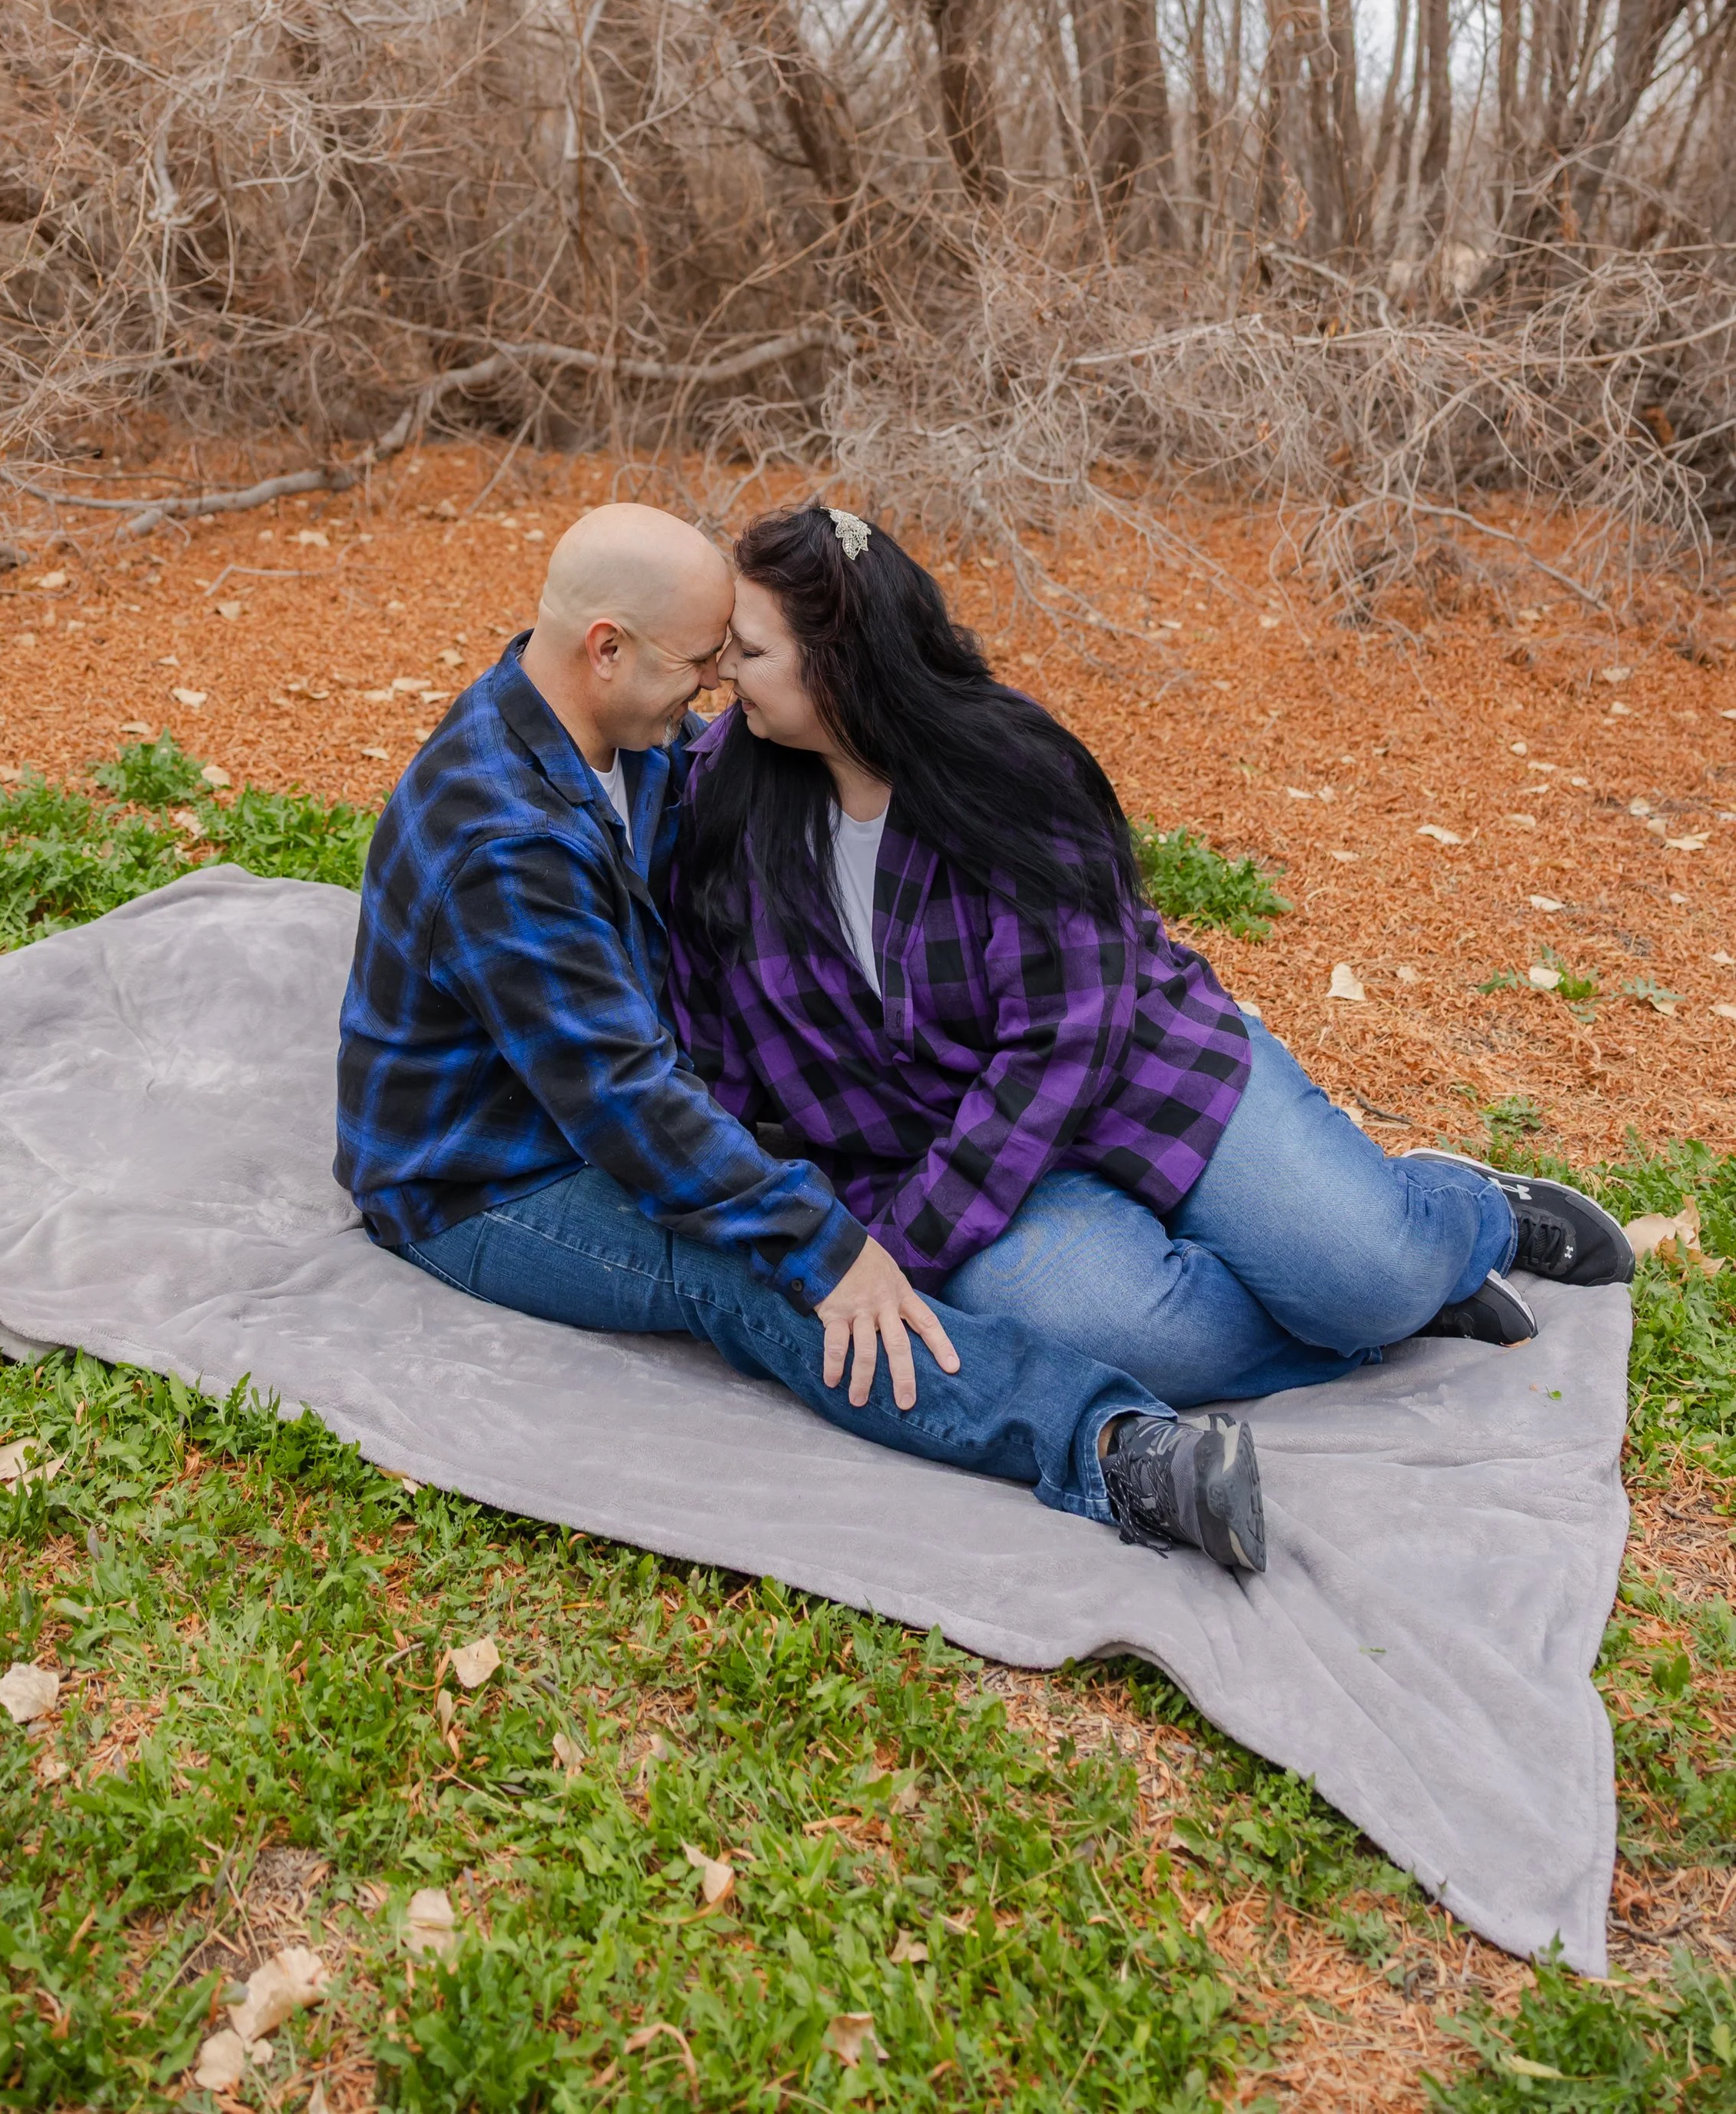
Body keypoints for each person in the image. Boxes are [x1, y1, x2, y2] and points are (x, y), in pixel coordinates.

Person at [335, 502, 1264, 1571]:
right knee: (752, 1271)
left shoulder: (621, 734)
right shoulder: (500, 840)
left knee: (790, 1211)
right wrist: (834, 1252)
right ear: (608, 648)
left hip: (612, 1100)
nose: (718, 684)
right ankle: (1115, 1451)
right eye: (700, 660)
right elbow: (630, 1104)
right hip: (485, 1176)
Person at [666, 503, 1635, 1416]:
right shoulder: (724, 791)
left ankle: (1467, 1217)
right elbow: (708, 1017)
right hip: (926, 1146)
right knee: (1123, 1336)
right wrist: (810, 1224)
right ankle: (1374, 1317)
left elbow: (1066, 1035)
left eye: (749, 653)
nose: (720, 677)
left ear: (842, 664)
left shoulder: (1009, 771)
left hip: (1136, 1069)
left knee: (1368, 1274)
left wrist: (906, 1247)